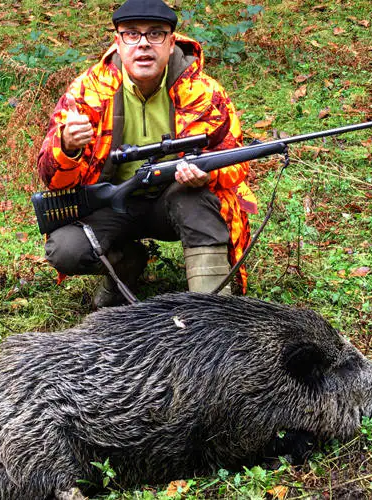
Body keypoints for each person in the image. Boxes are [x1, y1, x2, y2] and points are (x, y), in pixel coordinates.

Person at [37, 0, 257, 308]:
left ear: (171, 42)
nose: (143, 44)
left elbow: (235, 160)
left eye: (155, 34)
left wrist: (207, 174)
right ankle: (127, 265)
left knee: (201, 201)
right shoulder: (86, 93)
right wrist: (68, 146)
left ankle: (212, 316)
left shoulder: (205, 93)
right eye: (131, 34)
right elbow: (49, 177)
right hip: (112, 206)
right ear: (118, 41)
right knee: (66, 249)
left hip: (175, 200)